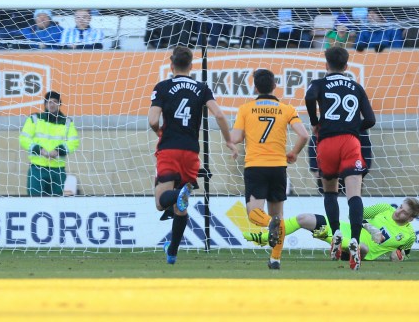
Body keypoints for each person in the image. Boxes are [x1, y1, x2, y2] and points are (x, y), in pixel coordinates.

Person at [149, 46, 237, 264]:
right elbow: (218, 114)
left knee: (162, 202)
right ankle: (172, 252)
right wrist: (228, 140)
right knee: (181, 208)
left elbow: (152, 120)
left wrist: (159, 131)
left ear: (171, 64)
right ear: (191, 65)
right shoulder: (202, 88)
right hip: (191, 152)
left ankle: (177, 200)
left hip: (169, 148)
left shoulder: (162, 87)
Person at [305, 47, 376, 270]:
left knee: (330, 190)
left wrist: (315, 120)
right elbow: (371, 120)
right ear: (346, 66)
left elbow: (309, 97)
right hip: (350, 142)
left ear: (326, 65)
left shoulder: (318, 84)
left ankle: (336, 232)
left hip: (327, 142)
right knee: (354, 193)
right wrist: (354, 126)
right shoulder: (356, 87)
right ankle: (354, 238)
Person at [231, 69, 309, 269]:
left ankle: (269, 224)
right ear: (275, 86)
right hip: (278, 167)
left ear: (255, 87)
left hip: (255, 166)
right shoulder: (286, 109)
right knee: (278, 216)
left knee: (254, 214)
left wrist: (232, 140)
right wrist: (294, 152)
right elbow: (304, 135)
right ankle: (275, 259)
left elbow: (236, 138)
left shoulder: (246, 109)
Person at [244, 198, 419, 263]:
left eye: (403, 212)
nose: (398, 211)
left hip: (362, 252)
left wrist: (397, 256)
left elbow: (402, 254)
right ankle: (266, 237)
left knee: (362, 248)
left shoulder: (409, 236)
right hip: (347, 230)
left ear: (410, 218)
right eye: (400, 206)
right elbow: (357, 214)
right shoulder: (384, 208)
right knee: (303, 218)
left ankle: (329, 238)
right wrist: (371, 228)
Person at [19, 91, 80, 196]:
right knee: (34, 197)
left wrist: (57, 151)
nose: (52, 104)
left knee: (56, 200)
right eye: (49, 102)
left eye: (55, 102)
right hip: (37, 168)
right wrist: (40, 150)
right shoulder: (34, 119)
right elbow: (24, 139)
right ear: (45, 104)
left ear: (59, 104)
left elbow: (74, 142)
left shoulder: (67, 122)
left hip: (57, 169)